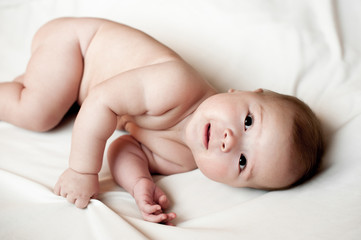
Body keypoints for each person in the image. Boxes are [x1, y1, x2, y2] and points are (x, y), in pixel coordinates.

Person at [0, 17, 323, 225]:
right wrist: (82, 170)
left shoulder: (185, 159)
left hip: (75, 87)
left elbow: (127, 147)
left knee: (42, 96)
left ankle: (27, 88)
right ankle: (30, 92)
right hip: (77, 45)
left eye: (242, 161)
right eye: (249, 121)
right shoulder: (177, 84)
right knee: (39, 114)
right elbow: (101, 101)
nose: (230, 140)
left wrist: (139, 182)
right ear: (242, 92)